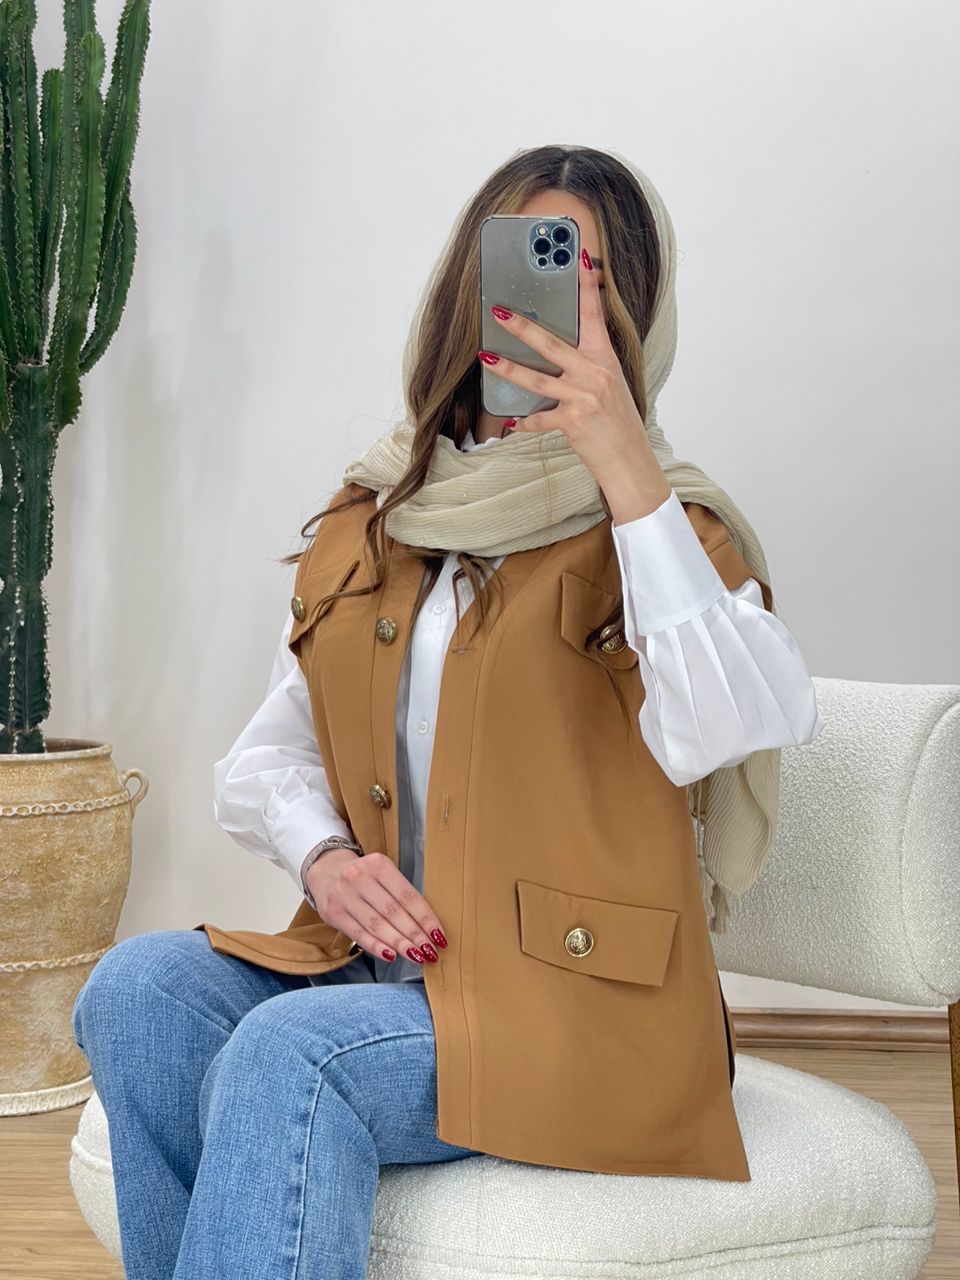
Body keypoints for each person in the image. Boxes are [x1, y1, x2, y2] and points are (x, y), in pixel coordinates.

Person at [72, 145, 824, 1280]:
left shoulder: (673, 528)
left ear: (636, 314)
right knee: (138, 994)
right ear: (470, 290)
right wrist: (325, 860)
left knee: (290, 1056)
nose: (552, 306)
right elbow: (269, 754)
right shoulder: (384, 512)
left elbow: (729, 726)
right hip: (383, 979)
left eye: (589, 277)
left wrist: (626, 469)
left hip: (579, 1008)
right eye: (530, 265)